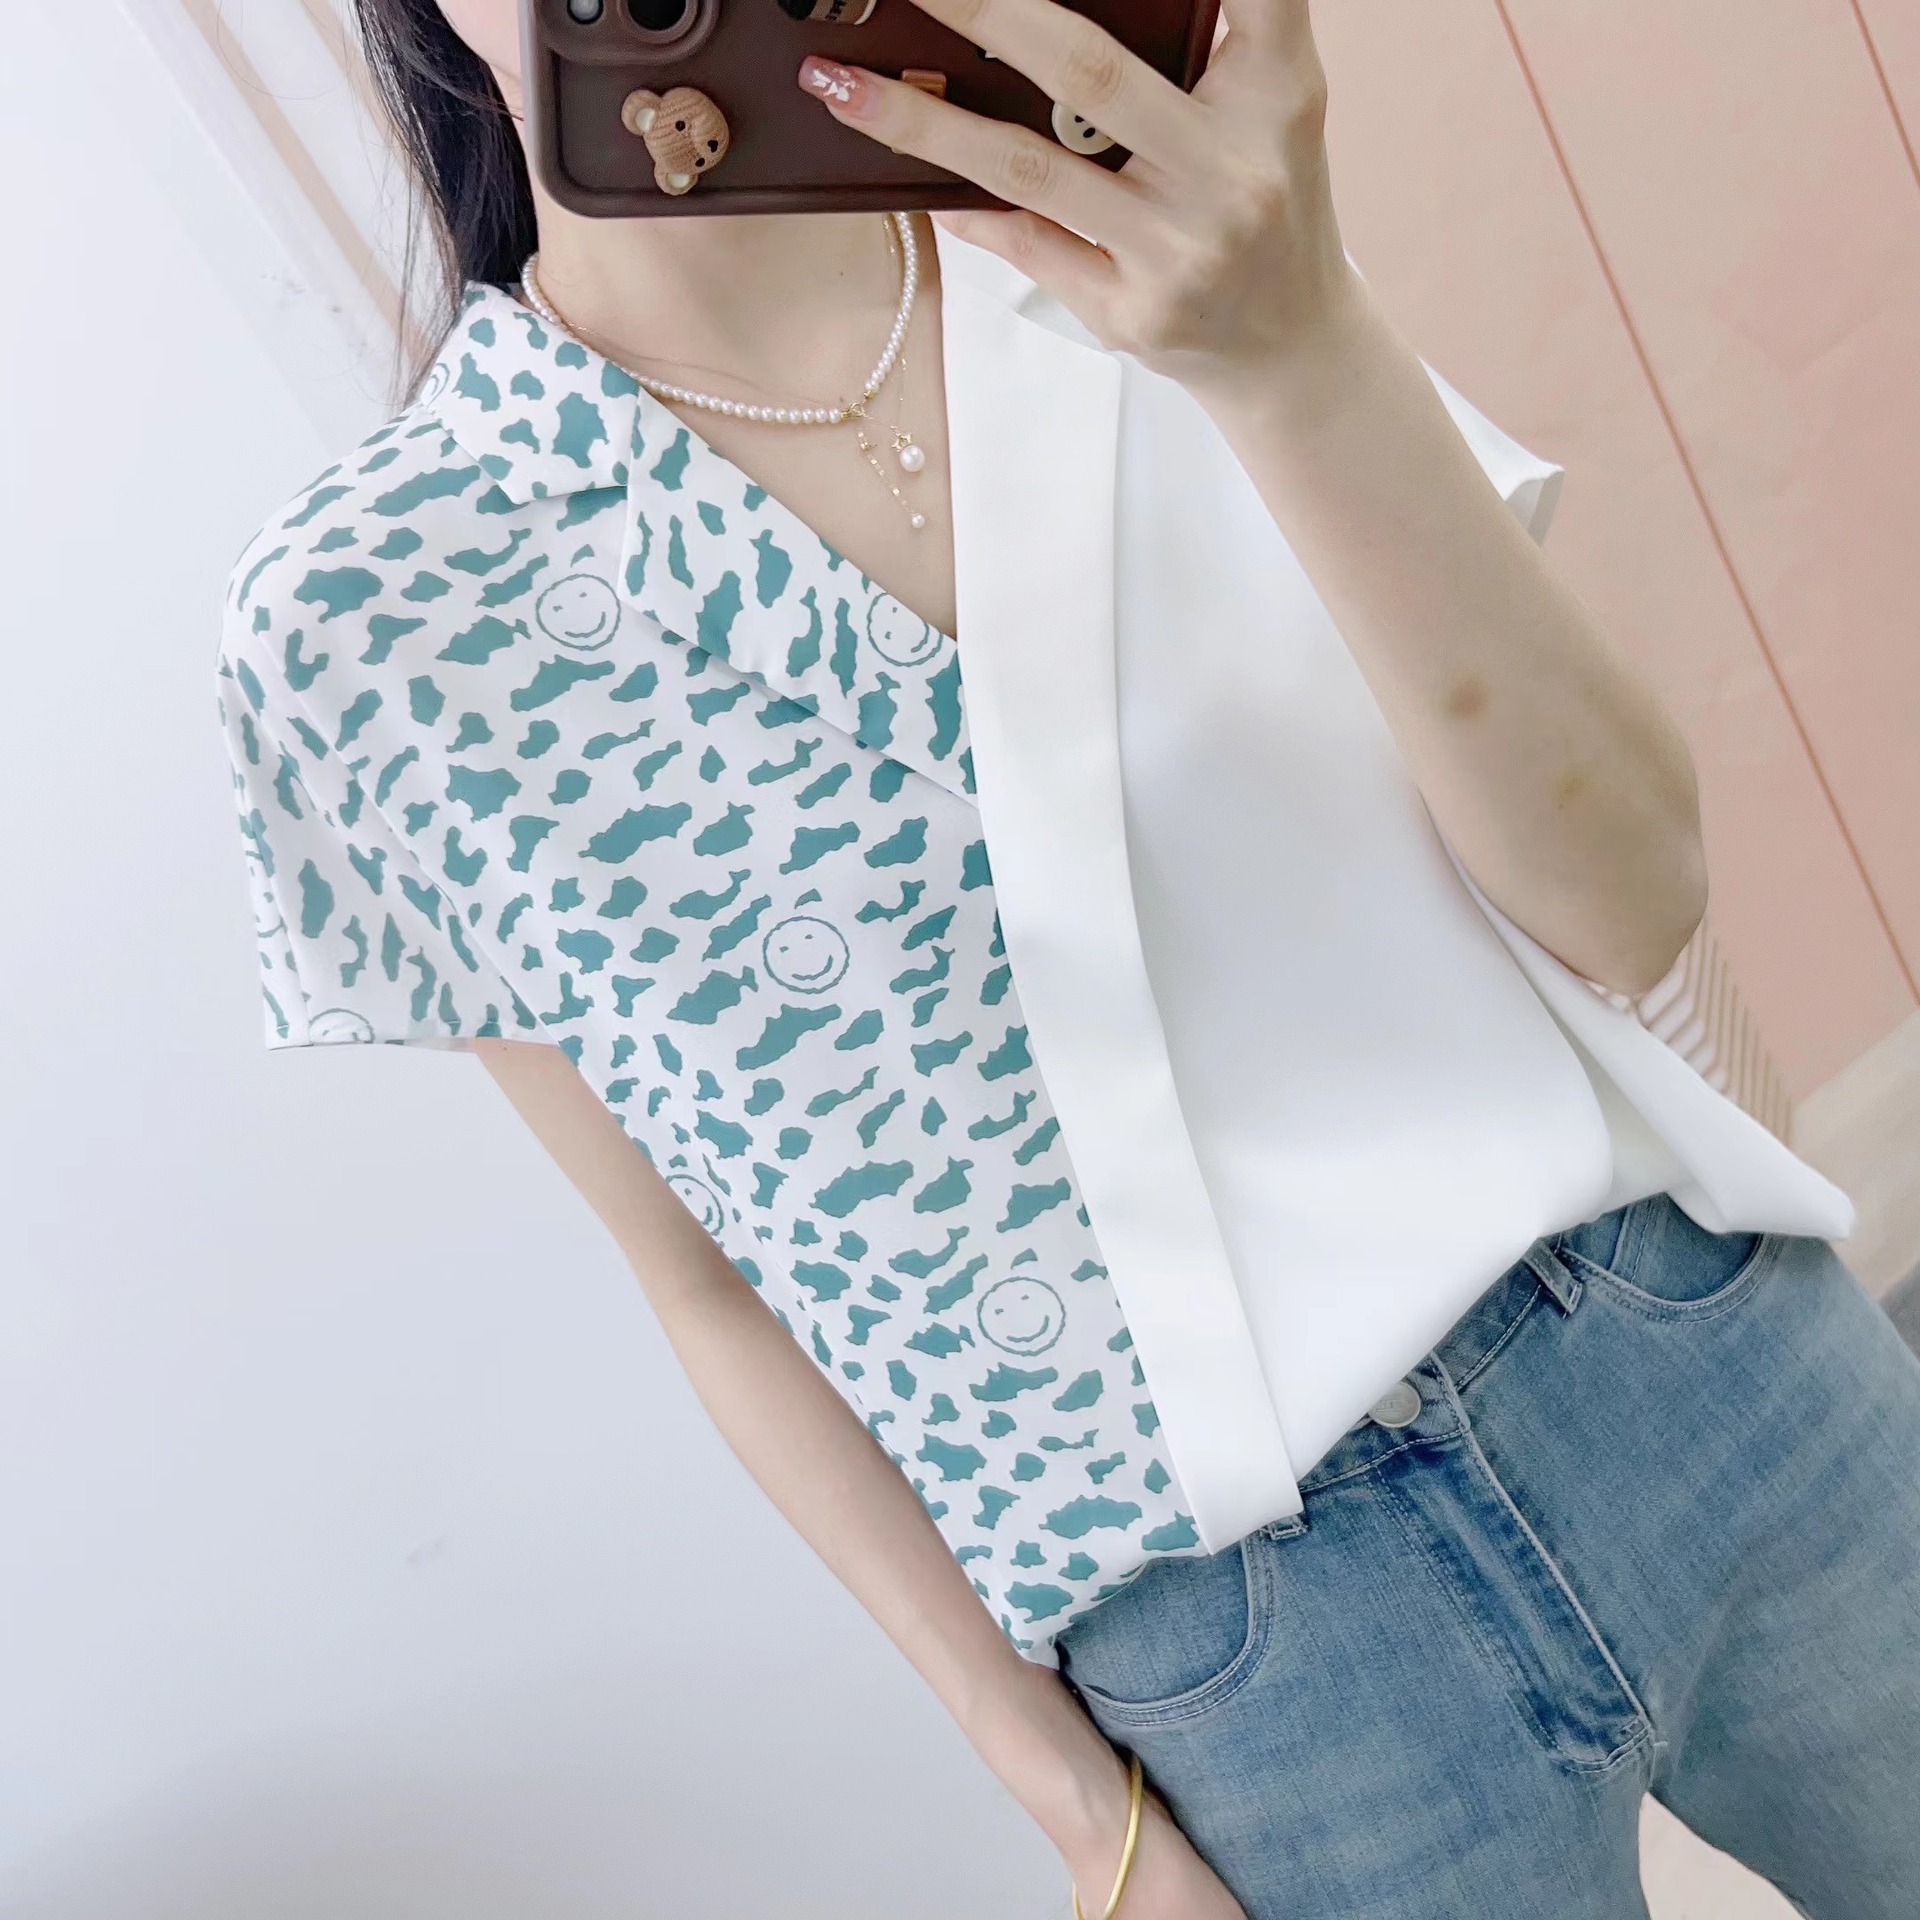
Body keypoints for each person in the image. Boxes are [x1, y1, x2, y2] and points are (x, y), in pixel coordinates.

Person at [211, 1, 1920, 1913]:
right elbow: (708, 1285)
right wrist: (1081, 1821)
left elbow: (1635, 902)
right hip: (1265, 1665)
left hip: (1689, 1355)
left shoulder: (1144, 245)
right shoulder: (372, 627)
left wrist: (1296, 343)